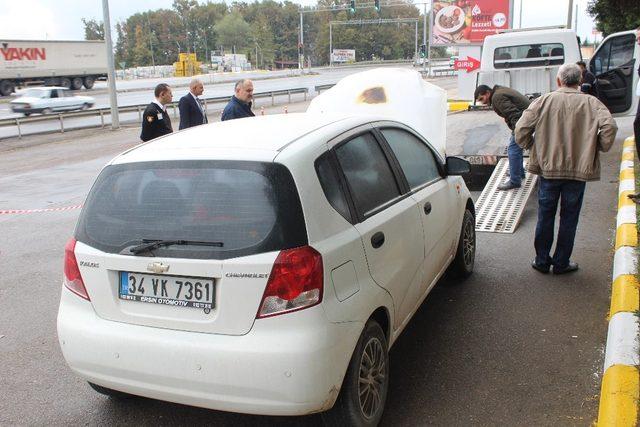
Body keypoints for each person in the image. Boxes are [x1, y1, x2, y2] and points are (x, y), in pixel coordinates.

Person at [515, 63, 618, 274]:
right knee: (569, 217)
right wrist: (597, 146)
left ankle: (542, 261)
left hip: (548, 169)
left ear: (559, 80)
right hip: (577, 170)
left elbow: (521, 129)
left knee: (545, 215)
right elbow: (610, 127)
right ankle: (561, 263)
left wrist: (531, 146)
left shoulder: (543, 101)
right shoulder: (592, 102)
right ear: (580, 81)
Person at [474, 84, 530, 190]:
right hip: (527, 118)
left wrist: (517, 132)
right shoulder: (499, 92)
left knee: (513, 150)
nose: (483, 102)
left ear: (487, 93)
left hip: (525, 120)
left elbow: (514, 114)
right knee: (516, 148)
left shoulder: (497, 97)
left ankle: (515, 181)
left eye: (482, 98)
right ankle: (518, 173)